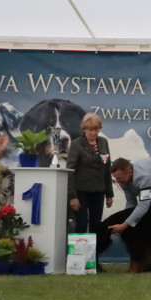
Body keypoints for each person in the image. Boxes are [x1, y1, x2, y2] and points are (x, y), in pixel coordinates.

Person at [66, 113, 114, 270]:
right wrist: (72, 197)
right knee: (81, 223)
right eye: (90, 129)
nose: (93, 133)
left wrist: (109, 193)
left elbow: (106, 167)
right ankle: (77, 262)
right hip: (81, 191)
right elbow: (70, 171)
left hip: (99, 191)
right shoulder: (76, 144)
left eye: (96, 129)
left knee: (96, 226)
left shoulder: (103, 143)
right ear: (84, 129)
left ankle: (94, 262)